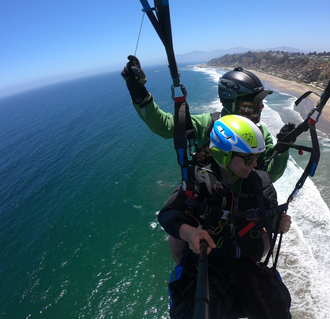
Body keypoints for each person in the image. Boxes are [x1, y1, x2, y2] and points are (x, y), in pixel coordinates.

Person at [158, 115, 292, 319]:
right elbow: (168, 214)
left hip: (246, 265)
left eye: (256, 156)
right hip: (208, 264)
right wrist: (189, 232)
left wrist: (277, 223)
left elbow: (269, 217)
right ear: (223, 156)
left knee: (276, 311)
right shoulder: (198, 183)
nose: (255, 164)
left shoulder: (260, 184)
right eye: (248, 158)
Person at [121, 55, 296, 183]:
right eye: (254, 103)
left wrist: (282, 149)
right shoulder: (207, 125)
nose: (261, 107)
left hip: (245, 210)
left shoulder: (261, 133)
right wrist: (138, 93)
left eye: (261, 102)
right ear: (232, 103)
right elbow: (165, 126)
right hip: (211, 206)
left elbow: (270, 175)